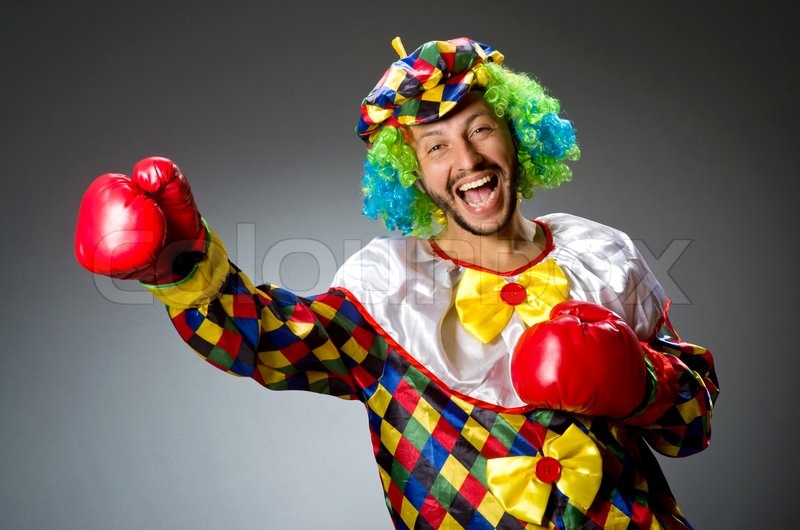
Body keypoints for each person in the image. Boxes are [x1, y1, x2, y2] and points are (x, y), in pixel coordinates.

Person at [74, 37, 719, 529]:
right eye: (436, 147)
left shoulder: (601, 254)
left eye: (480, 129)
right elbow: (268, 339)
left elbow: (690, 426)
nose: (467, 161)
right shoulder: (386, 292)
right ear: (411, 173)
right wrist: (182, 268)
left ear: (518, 133)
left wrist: (640, 382)